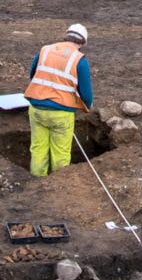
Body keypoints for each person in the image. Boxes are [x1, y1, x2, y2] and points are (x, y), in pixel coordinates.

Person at [24, 23, 92, 177]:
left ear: (66, 35)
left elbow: (34, 74)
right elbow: (86, 93)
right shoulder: (79, 59)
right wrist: (87, 106)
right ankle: (57, 186)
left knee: (38, 149)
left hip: (37, 108)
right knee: (60, 153)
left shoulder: (45, 50)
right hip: (62, 113)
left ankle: (37, 182)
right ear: (82, 43)